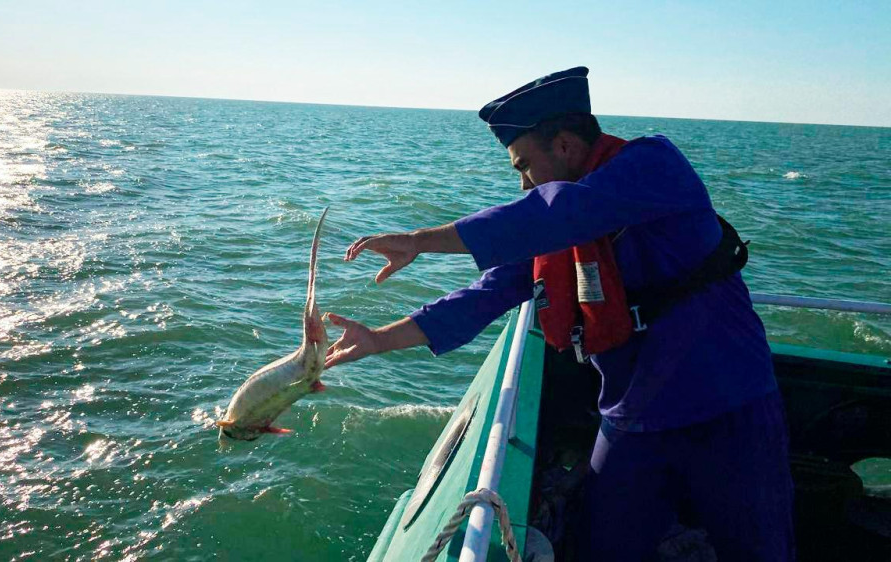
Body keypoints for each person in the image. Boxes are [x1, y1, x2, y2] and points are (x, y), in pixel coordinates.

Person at [325, 67, 794, 561]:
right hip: (632, 419)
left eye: (525, 164)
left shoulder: (653, 165)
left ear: (566, 146)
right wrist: (378, 339)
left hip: (727, 407)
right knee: (602, 546)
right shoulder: (553, 226)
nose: (525, 183)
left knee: (759, 549)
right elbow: (486, 294)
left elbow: (562, 209)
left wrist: (421, 241)